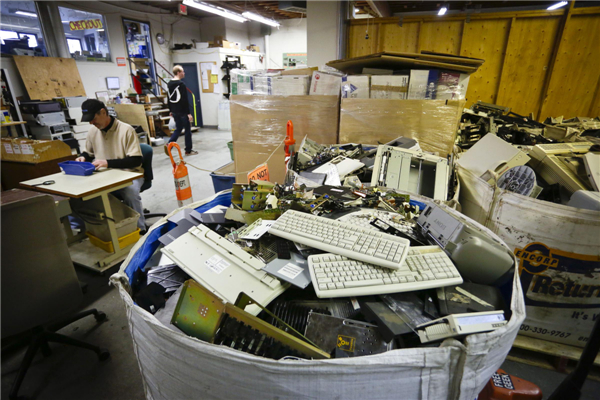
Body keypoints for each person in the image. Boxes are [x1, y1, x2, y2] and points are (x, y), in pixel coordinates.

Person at [74, 99, 146, 232]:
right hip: (105, 174)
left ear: (103, 112)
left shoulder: (126, 130)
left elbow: (135, 161)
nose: (91, 123)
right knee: (83, 191)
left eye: (93, 118)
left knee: (130, 192)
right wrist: (83, 157)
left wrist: (107, 163)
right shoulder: (93, 131)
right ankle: (94, 228)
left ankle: (140, 228)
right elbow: (88, 153)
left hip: (130, 174)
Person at [167, 65, 198, 156]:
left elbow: (168, 98)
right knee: (187, 130)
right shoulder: (181, 84)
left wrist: (171, 110)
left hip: (175, 111)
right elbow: (184, 100)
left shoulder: (169, 84)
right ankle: (188, 150)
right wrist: (188, 113)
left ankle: (169, 144)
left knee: (179, 128)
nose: (184, 73)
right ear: (178, 72)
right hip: (182, 112)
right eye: (183, 71)